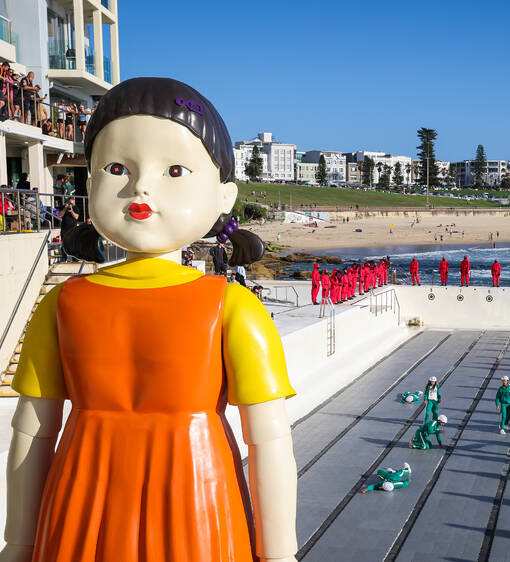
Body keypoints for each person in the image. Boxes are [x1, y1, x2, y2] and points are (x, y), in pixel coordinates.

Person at [4, 78, 296, 561]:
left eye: (174, 170)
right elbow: (268, 442)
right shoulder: (229, 306)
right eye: (117, 168)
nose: (140, 186)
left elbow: (31, 433)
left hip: (96, 505)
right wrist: (279, 552)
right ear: (90, 183)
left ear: (225, 197)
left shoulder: (65, 304)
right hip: (188, 502)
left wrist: (19, 544)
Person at [58, 196, 80, 262]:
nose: (71, 204)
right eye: (70, 203)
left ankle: (75, 258)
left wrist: (72, 211)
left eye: (72, 203)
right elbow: (60, 215)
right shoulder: (63, 207)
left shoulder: (75, 208)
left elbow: (76, 217)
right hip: (64, 229)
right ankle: (64, 258)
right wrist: (65, 208)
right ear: (67, 202)